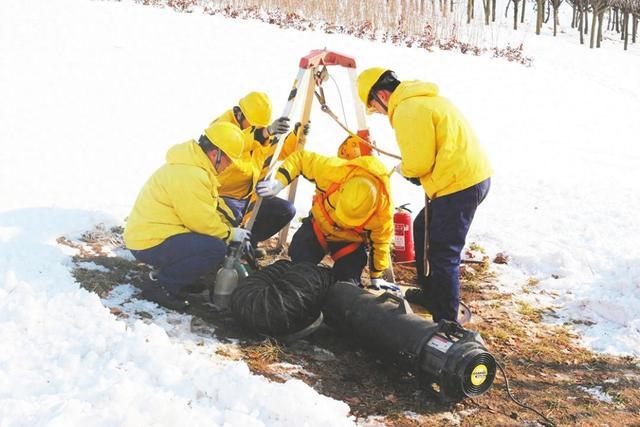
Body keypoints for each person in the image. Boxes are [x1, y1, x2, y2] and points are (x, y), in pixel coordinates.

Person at [357, 67, 492, 322]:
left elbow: (419, 164)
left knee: (443, 253)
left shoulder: (408, 111)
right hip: (465, 178)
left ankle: (447, 322)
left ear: (382, 95)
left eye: (374, 107)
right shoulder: (425, 100)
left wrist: (404, 169)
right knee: (422, 229)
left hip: (459, 185)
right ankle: (432, 294)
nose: (378, 112)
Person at [123, 122, 252, 310]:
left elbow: (210, 206)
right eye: (228, 161)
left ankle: (179, 276)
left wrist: (233, 222)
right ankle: (162, 285)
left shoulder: (196, 168)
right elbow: (201, 222)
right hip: (148, 241)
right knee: (213, 248)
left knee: (211, 242)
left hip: (155, 233)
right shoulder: (190, 174)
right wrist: (230, 234)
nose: (229, 166)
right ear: (215, 154)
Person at [256, 150, 395, 288]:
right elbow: (301, 158)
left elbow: (381, 244)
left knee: (347, 282)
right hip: (319, 228)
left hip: (348, 242)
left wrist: (376, 276)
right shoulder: (334, 171)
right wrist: (279, 182)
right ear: (342, 189)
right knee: (299, 265)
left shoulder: (383, 214)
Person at [210, 92, 306, 250]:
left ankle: (246, 246)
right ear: (239, 114)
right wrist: (262, 134)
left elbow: (275, 151)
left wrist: (296, 136)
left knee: (285, 210)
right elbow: (234, 158)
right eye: (253, 124)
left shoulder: (260, 132)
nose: (256, 128)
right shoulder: (221, 128)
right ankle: (227, 248)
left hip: (248, 198)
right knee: (229, 225)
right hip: (221, 198)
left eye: (260, 126)